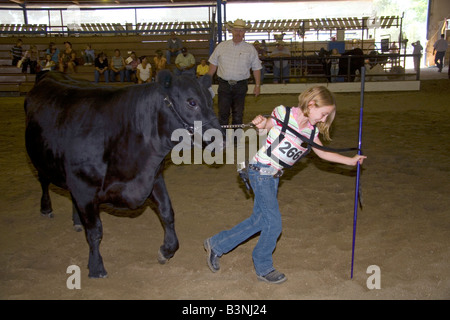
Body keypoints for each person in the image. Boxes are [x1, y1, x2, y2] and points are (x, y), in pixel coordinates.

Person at [204, 86, 367, 284]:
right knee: (274, 224)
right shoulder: (284, 113)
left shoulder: (310, 130)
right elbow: (266, 125)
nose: (324, 120)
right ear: (311, 104)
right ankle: (263, 266)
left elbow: (323, 153)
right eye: (324, 114)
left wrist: (349, 161)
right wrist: (261, 123)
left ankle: (216, 244)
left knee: (259, 221)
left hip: (273, 177)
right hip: (260, 172)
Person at [208, 18, 262, 126]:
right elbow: (213, 64)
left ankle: (236, 140)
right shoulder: (221, 47)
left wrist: (257, 85)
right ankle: (223, 140)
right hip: (224, 85)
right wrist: (207, 82)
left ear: (244, 33)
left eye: (241, 31)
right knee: (223, 114)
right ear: (231, 31)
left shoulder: (250, 49)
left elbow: (256, 68)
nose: (238, 33)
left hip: (240, 86)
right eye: (236, 30)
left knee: (238, 114)